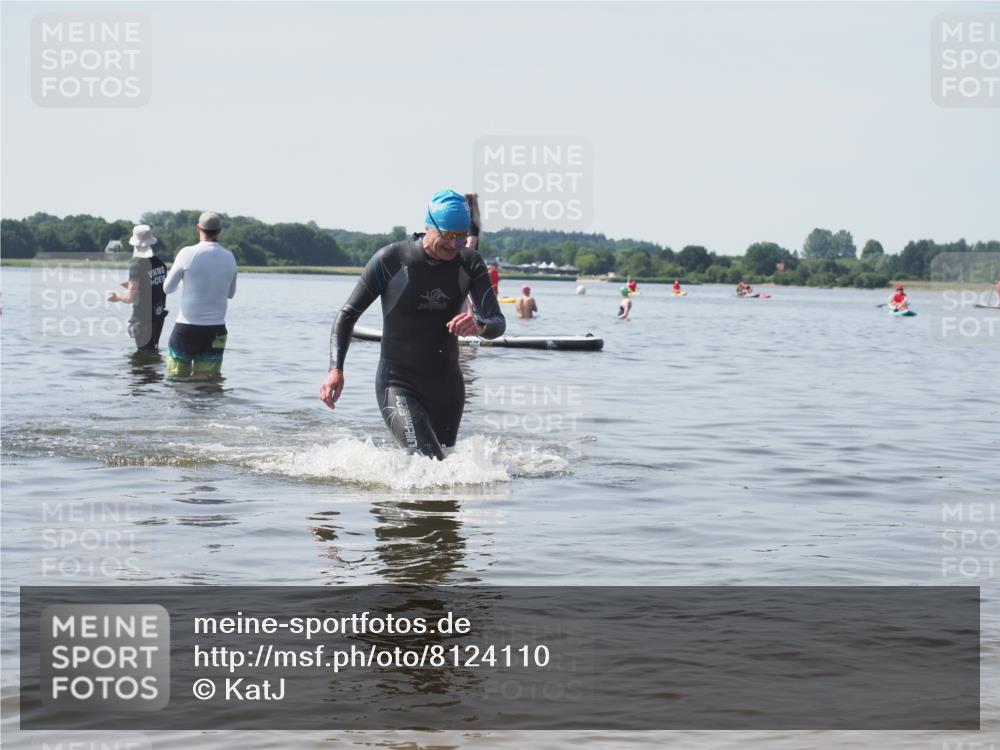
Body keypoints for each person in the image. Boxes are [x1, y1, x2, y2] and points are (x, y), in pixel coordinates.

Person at [319, 189, 505, 460]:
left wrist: (479, 324)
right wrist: (336, 369)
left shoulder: (470, 262)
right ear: (429, 226)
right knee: (430, 462)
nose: (455, 245)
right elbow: (347, 314)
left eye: (462, 236)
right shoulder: (391, 260)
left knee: (444, 467)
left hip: (448, 388)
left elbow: (497, 322)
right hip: (398, 383)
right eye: (448, 236)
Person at [162, 211, 238, 378]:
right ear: (220, 231)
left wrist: (184, 282)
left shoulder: (187, 253)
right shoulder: (230, 257)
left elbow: (167, 288)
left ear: (198, 228)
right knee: (208, 382)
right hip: (216, 330)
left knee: (177, 379)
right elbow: (230, 294)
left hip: (187, 328)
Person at [107, 224, 168, 351]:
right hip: (158, 317)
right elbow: (156, 287)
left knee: (142, 355)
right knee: (153, 352)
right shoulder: (160, 264)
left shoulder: (137, 264)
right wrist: (132, 286)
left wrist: (116, 297)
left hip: (142, 319)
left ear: (135, 244)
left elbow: (130, 298)